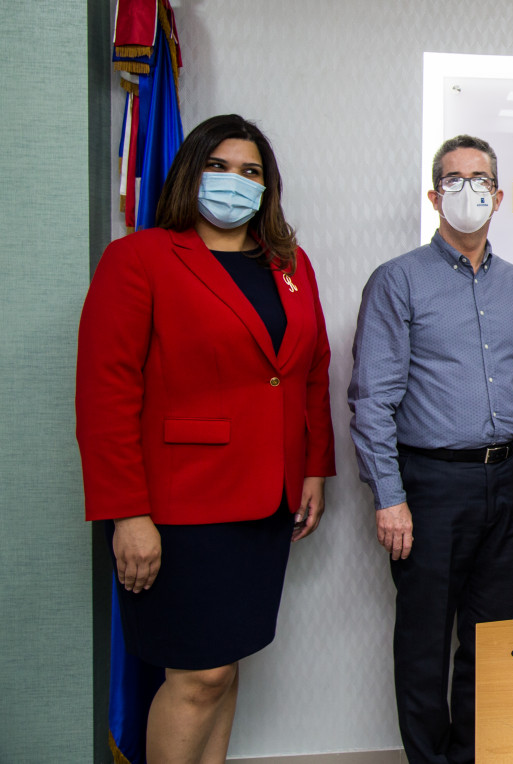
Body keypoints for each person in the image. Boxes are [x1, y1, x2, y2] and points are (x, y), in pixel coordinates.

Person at [76, 114, 335, 763]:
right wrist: (127, 514)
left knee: (224, 666)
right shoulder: (139, 259)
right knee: (197, 676)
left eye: (250, 171)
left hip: (267, 504)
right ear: (191, 173)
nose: (233, 181)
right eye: (218, 166)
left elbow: (311, 372)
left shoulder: (290, 265)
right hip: (180, 507)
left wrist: (313, 470)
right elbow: (105, 398)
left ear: (267, 187)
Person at [349, 134, 513, 764]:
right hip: (431, 486)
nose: (469, 191)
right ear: (435, 196)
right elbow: (372, 400)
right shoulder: (398, 280)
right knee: (424, 642)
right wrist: (390, 499)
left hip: (508, 479)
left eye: (481, 180)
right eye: (454, 180)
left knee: (490, 640)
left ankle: (471, 756)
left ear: (500, 195)